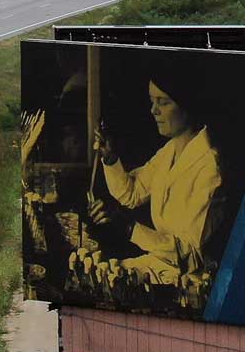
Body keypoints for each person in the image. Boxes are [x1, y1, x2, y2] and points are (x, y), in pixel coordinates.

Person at [89, 68, 224, 290]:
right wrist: (111, 158)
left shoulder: (210, 167)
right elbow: (131, 194)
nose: (154, 111)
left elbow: (192, 258)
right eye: (152, 101)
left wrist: (129, 228)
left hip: (190, 285)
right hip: (159, 266)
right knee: (95, 276)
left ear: (186, 105)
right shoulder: (170, 150)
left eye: (163, 102)